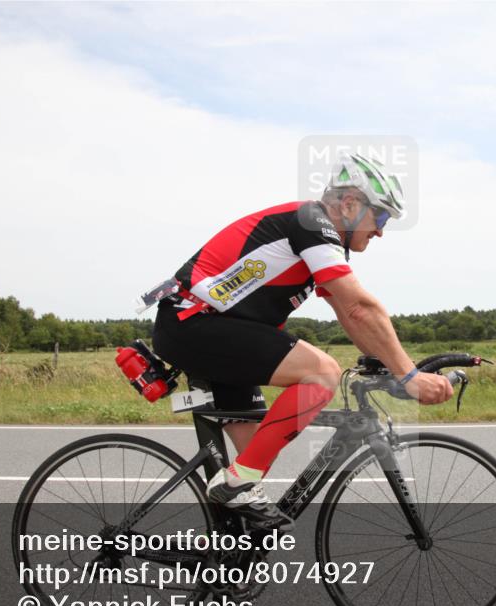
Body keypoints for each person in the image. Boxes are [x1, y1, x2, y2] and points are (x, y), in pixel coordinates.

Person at [152, 152, 453, 527]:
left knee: (253, 467)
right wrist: (409, 376)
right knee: (322, 372)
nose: (380, 231)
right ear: (349, 204)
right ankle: (235, 487)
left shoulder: (321, 235)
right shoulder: (311, 223)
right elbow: (361, 307)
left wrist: (385, 365)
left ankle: (227, 561)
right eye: (380, 217)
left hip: (212, 329)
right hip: (192, 323)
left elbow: (347, 312)